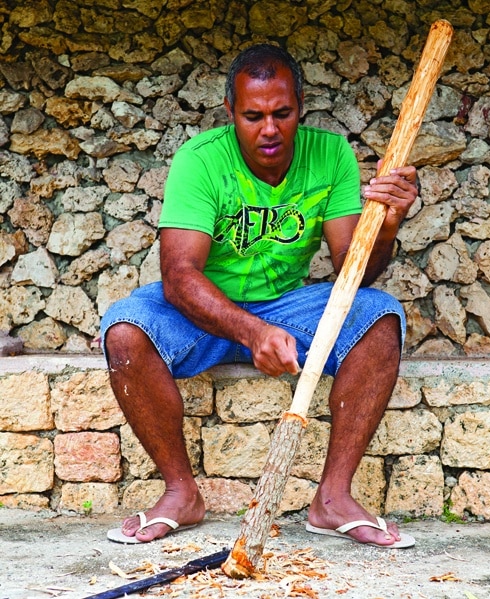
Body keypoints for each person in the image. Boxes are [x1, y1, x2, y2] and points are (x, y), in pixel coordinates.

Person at [102, 43, 418, 549]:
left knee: (380, 316)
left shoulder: (330, 154)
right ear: (230, 112)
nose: (268, 129)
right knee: (124, 330)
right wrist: (252, 333)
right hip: (202, 308)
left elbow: (352, 269)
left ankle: (332, 498)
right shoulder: (200, 162)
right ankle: (181, 493)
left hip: (286, 307)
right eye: (253, 116)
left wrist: (387, 225)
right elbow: (180, 277)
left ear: (300, 107)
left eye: (282, 113)